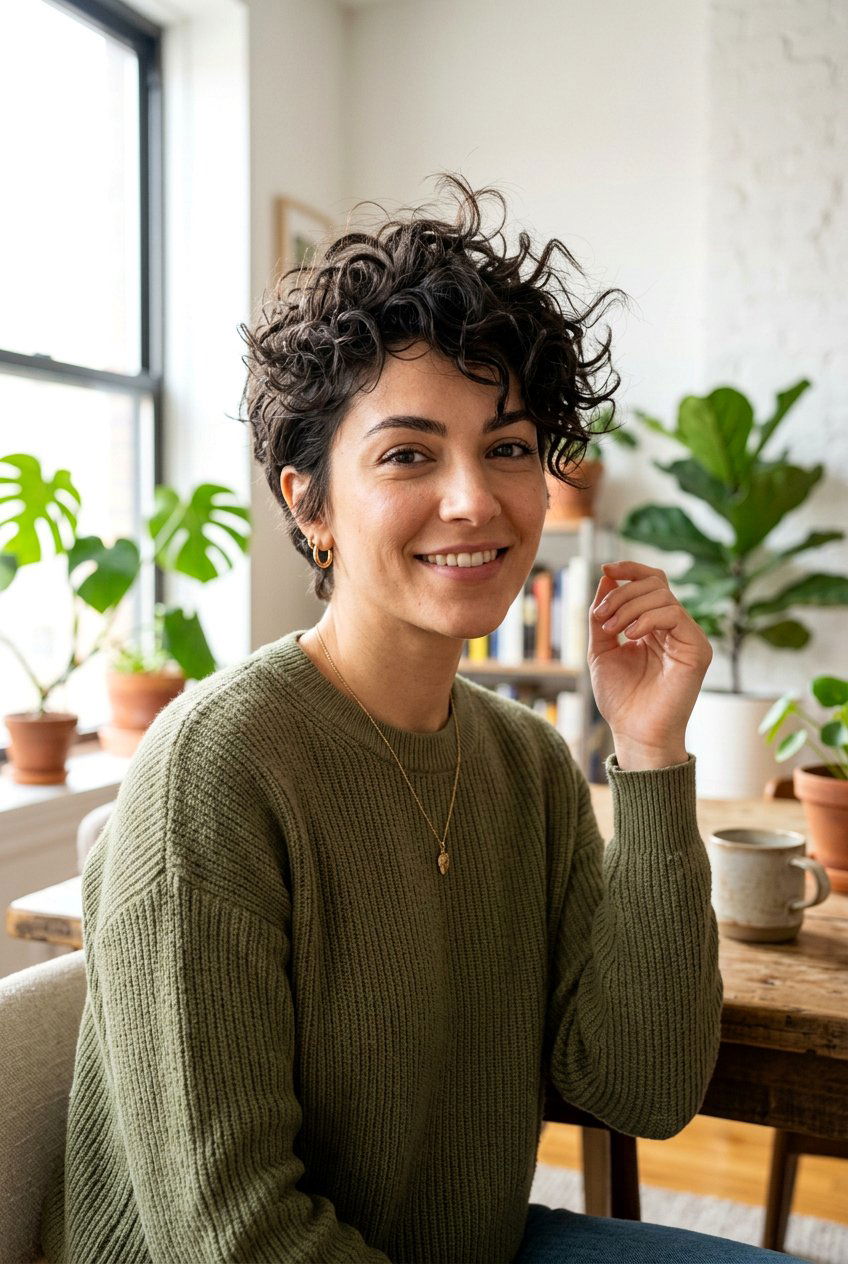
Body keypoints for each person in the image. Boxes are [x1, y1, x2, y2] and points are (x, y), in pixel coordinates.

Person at [40, 175, 804, 1263]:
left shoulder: (527, 762)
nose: (473, 500)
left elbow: (641, 1085)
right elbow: (231, 1234)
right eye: (407, 453)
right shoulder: (216, 768)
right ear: (309, 504)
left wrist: (647, 753)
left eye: (507, 447)